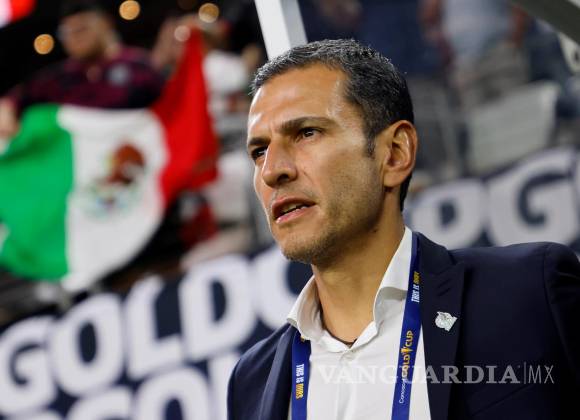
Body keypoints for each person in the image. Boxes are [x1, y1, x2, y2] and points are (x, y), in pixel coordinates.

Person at [227, 39, 580, 420]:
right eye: (259, 151)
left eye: (306, 133)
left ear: (395, 154)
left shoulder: (528, 293)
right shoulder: (252, 381)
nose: (272, 171)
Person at [0, 0, 163, 139]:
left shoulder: (140, 68)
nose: (75, 37)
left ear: (105, 23)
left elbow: (169, 112)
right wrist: (8, 108)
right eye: (67, 32)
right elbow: (19, 97)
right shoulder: (57, 78)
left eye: (82, 28)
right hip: (76, 161)